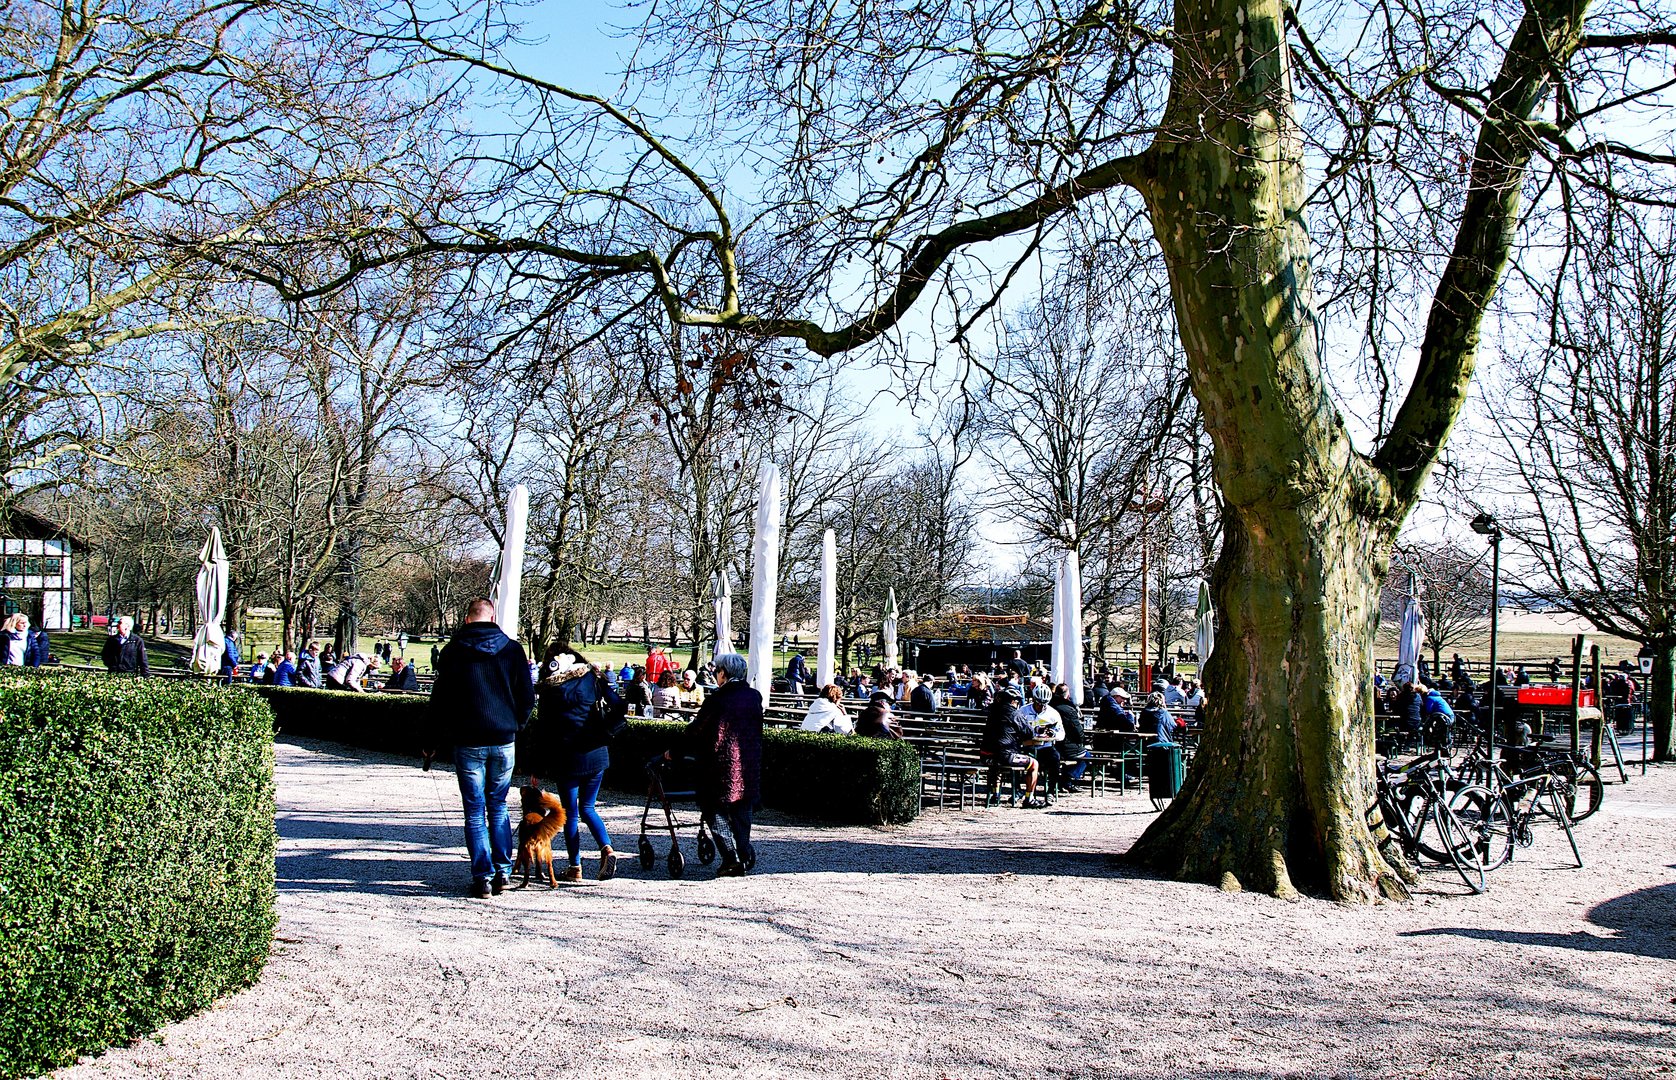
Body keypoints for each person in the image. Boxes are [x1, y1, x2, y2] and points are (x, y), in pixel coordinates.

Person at [424, 598, 535, 898]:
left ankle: (482, 877)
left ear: (467, 619)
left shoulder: (452, 652)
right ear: (493, 617)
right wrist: (515, 724)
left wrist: (431, 743)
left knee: (474, 811)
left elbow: (440, 703)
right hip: (503, 739)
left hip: (468, 740)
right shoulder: (512, 650)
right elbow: (527, 698)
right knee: (497, 806)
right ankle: (503, 871)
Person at [526, 643, 621, 882]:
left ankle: (575, 866)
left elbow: (543, 732)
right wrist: (606, 726)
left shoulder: (550, 691)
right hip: (596, 752)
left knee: (569, 813)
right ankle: (607, 848)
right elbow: (619, 704)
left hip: (566, 757)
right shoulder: (592, 678)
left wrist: (536, 767)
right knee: (589, 808)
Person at [664, 652, 761, 876]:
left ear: (723, 674)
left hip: (721, 764)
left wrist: (674, 751)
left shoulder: (717, 699)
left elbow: (697, 730)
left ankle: (731, 857)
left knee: (712, 807)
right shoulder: (754, 697)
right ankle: (744, 851)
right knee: (742, 807)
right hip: (748, 764)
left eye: (717, 671)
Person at [982, 686, 1043, 807]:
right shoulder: (1014, 713)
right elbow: (1029, 733)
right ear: (1014, 701)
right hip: (1005, 755)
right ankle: (1029, 799)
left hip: (986, 754)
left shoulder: (993, 711)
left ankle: (995, 795)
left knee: (996, 767)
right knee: (1034, 764)